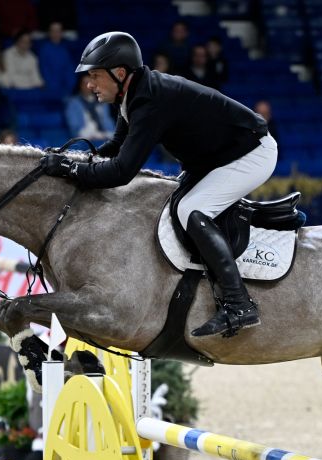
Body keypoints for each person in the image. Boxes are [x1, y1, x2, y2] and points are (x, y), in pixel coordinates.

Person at [41, 32, 277, 338]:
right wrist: (72, 159)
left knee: (191, 210)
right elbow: (115, 146)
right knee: (171, 207)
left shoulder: (150, 101)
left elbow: (121, 173)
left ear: (120, 73)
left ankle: (238, 303)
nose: (89, 85)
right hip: (216, 158)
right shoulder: (135, 94)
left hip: (251, 153)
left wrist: (71, 169)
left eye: (95, 76)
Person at [65, 73, 115, 141]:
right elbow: (74, 129)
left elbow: (109, 123)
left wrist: (109, 134)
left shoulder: (102, 101)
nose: (87, 86)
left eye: (90, 83)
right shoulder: (73, 103)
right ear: (80, 85)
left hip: (105, 136)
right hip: (85, 138)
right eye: (84, 83)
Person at [38, 22, 75, 98]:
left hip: (66, 92)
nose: (56, 34)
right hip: (50, 92)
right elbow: (44, 72)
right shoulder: (44, 50)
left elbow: (69, 71)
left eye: (58, 31)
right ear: (49, 33)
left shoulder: (65, 50)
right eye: (53, 31)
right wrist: (53, 91)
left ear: (61, 33)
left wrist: (69, 88)